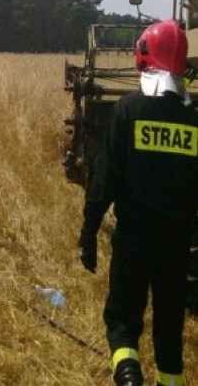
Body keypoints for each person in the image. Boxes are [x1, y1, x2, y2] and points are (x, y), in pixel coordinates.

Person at [79, 19, 198, 386]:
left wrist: (89, 230)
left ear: (146, 57)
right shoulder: (194, 121)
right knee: (169, 333)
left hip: (133, 241)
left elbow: (105, 179)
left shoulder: (129, 111)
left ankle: (129, 378)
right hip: (177, 248)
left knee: (122, 322)